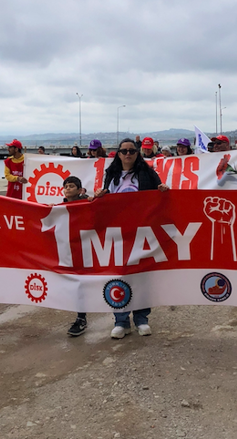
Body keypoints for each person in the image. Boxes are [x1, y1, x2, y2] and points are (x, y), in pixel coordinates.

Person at [92, 139, 169, 339]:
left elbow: (159, 196)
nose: (128, 154)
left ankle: (142, 319)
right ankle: (121, 320)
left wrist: (163, 191)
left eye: (132, 151)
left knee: (142, 275)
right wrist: (100, 195)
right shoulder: (111, 174)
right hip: (117, 232)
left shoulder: (148, 172)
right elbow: (106, 197)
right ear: (118, 154)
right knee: (119, 274)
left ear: (137, 153)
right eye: (124, 151)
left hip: (142, 231)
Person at [63, 175, 91, 337]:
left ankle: (82, 317)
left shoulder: (88, 203)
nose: (68, 189)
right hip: (70, 250)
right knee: (76, 284)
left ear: (80, 190)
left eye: (71, 186)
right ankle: (81, 317)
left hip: (86, 248)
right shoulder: (60, 207)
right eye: (66, 186)